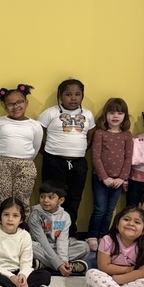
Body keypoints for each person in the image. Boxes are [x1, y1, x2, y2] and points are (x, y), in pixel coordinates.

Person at [38, 78, 95, 235]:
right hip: (54, 162)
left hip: (78, 164)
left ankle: (68, 233)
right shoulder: (50, 112)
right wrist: (47, 152)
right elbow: (36, 134)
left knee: (74, 199)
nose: (73, 98)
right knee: (51, 198)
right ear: (60, 95)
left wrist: (80, 151)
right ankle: (48, 233)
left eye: (77, 94)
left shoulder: (88, 114)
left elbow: (91, 136)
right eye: (68, 94)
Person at [85, 206, 144, 287]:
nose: (131, 224)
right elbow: (103, 267)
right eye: (126, 219)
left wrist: (118, 280)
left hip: (126, 281)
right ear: (117, 224)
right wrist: (128, 270)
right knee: (91, 274)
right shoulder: (107, 240)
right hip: (108, 278)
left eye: (137, 222)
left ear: (143, 230)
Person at [0, 197, 51, 287]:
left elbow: (26, 261)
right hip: (0, 272)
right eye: (6, 215)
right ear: (0, 216)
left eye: (15, 216)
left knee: (46, 275)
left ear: (21, 219)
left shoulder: (25, 235)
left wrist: (22, 274)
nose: (10, 219)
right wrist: (11, 277)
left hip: (17, 272)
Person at [87, 97, 134, 251]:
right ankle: (92, 235)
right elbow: (96, 157)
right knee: (99, 208)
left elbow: (128, 157)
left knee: (110, 210)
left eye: (119, 113)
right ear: (105, 115)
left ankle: (103, 235)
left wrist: (122, 178)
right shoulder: (100, 133)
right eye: (112, 112)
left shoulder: (127, 135)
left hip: (119, 180)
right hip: (101, 178)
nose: (115, 116)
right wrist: (104, 177)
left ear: (125, 116)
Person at [0, 84, 42, 208]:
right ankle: (0, 225)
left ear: (26, 102)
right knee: (0, 199)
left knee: (22, 199)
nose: (16, 107)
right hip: (1, 164)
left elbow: (36, 147)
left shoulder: (34, 125)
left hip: (25, 165)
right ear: (5, 107)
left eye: (19, 102)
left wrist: (23, 159)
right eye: (10, 104)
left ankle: (21, 226)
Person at [28, 181, 89, 276]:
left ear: (61, 200)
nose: (45, 200)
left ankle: (43, 264)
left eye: (50, 197)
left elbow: (62, 240)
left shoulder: (65, 216)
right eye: (42, 196)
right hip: (41, 247)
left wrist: (64, 259)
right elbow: (43, 243)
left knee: (84, 247)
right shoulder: (35, 215)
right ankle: (67, 266)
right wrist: (59, 265)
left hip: (56, 247)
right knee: (29, 246)